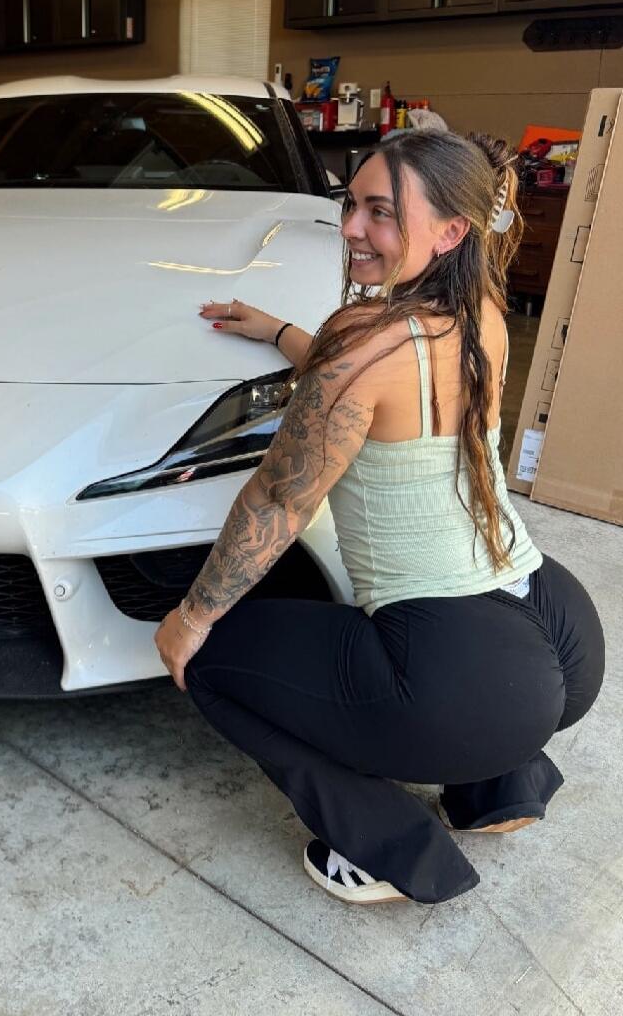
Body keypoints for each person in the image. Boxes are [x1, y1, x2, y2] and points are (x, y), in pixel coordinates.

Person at [154, 130, 604, 906]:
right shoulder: (484, 310)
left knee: (214, 663)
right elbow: (371, 380)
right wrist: (280, 332)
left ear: (450, 230)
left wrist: (191, 618)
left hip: (464, 672)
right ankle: (501, 788)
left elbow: (280, 499)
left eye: (381, 213)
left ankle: (392, 852)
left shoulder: (363, 342)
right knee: (482, 698)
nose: (353, 228)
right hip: (558, 630)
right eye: (351, 205)